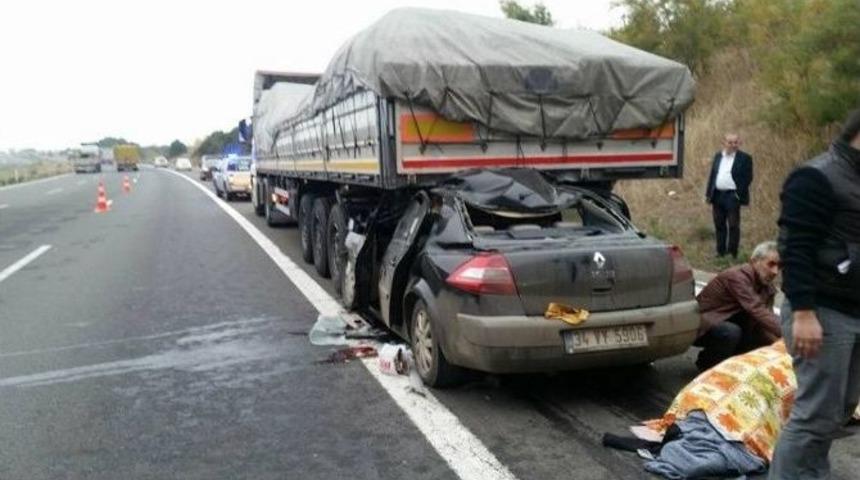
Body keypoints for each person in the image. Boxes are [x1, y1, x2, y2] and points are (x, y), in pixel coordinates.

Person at [769, 110, 860, 480]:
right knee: (814, 416)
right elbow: (796, 248)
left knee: (838, 412)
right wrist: (804, 312)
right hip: (822, 310)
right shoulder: (816, 176)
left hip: (854, 311)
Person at [693, 241, 782, 371]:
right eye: (771, 264)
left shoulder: (767, 288)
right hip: (701, 327)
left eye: (779, 266)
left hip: (729, 325)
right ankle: (707, 366)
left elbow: (767, 323)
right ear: (754, 261)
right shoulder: (737, 277)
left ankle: (732, 365)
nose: (775, 272)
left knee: (761, 337)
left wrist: (782, 347)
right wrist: (789, 336)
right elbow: (756, 309)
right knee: (731, 332)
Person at [705, 133, 754, 258]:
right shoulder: (718, 156)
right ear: (724, 143)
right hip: (717, 195)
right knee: (719, 224)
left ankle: (732, 252)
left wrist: (738, 194)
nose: (733, 145)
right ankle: (720, 252)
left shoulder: (745, 158)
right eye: (730, 142)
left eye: (735, 142)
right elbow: (713, 175)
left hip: (732, 195)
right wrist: (708, 193)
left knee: (733, 225)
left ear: (739, 143)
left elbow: (748, 178)